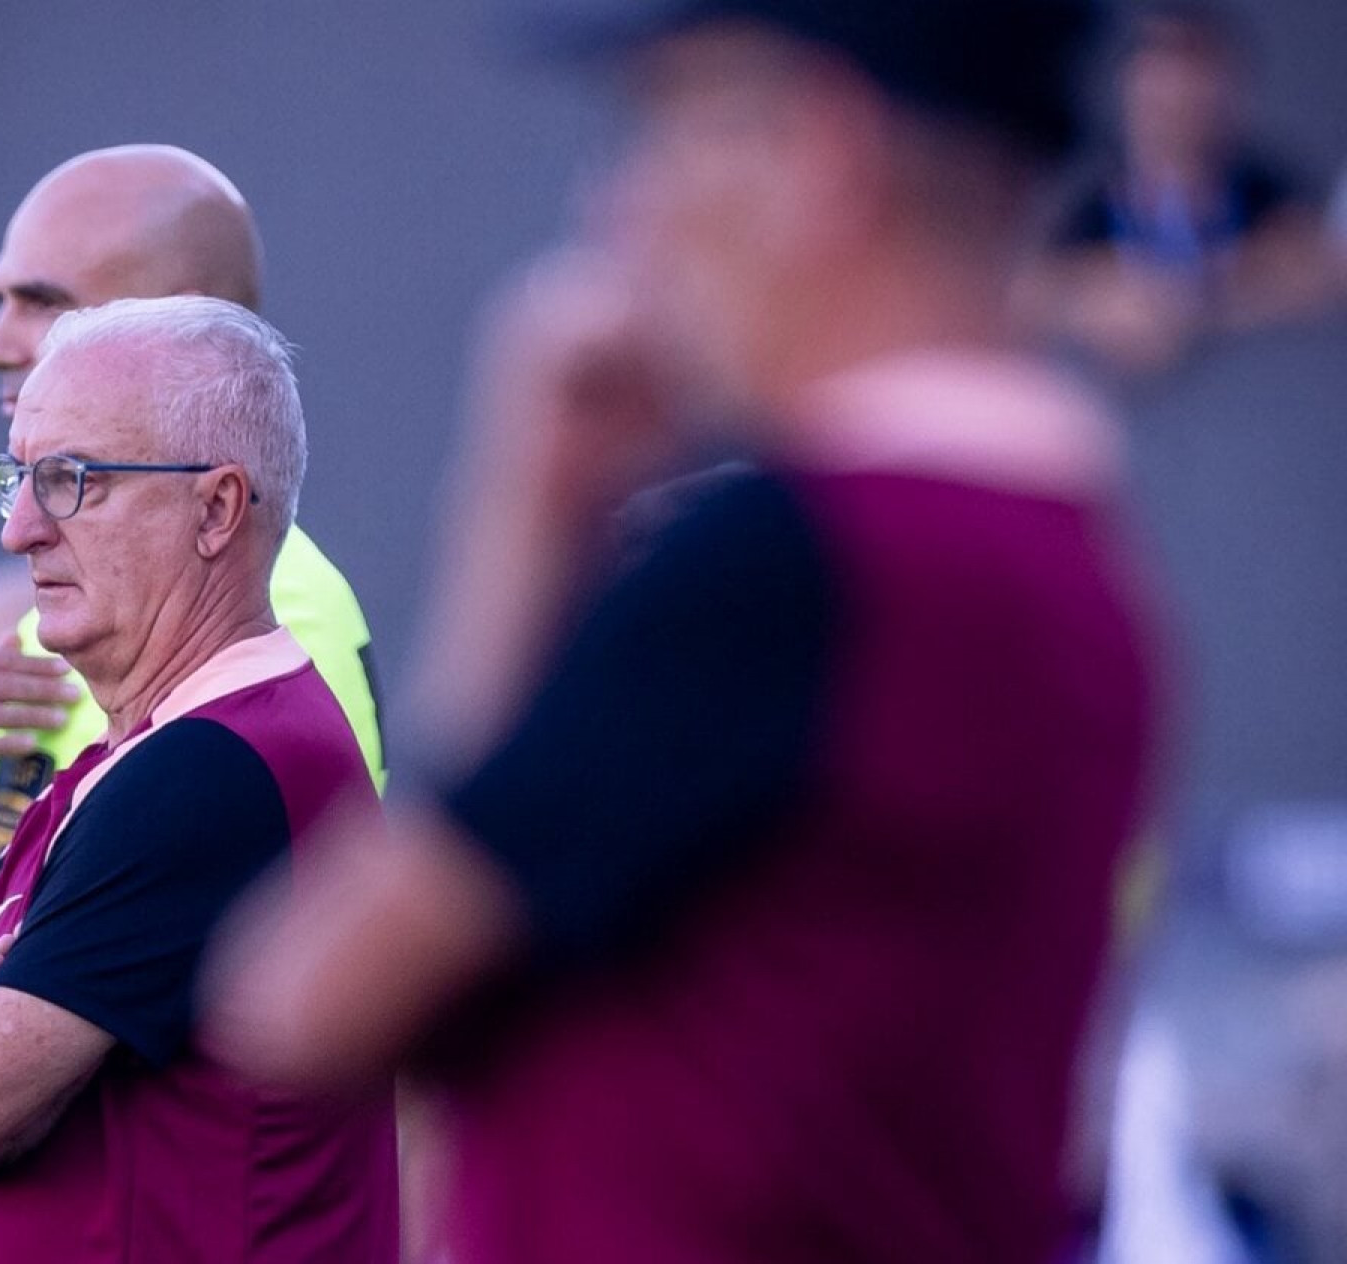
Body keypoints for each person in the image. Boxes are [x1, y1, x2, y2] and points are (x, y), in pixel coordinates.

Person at [204, 3, 1164, 1263]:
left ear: (821, 155)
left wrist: (520, 522)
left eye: (664, 128)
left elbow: (298, 1001)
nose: (620, 209)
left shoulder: (788, 562)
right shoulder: (1077, 568)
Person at [0, 145, 383, 1028]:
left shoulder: (278, 624)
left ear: (180, 321)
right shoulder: (28, 619)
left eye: (43, 302)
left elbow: (314, 1006)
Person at [0, 297, 398, 1260]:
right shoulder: (126, 765)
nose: (21, 530)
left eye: (71, 481)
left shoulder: (214, 768)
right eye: (18, 479)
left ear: (215, 510)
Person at [1018, 1, 1341, 375]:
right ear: (1127, 85)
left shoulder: (1278, 200)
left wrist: (1197, 304)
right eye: (1161, 73)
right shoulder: (1077, 203)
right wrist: (1082, 299)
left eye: (1197, 72)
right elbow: (1026, 290)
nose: (1178, 94)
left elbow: (1316, 273)